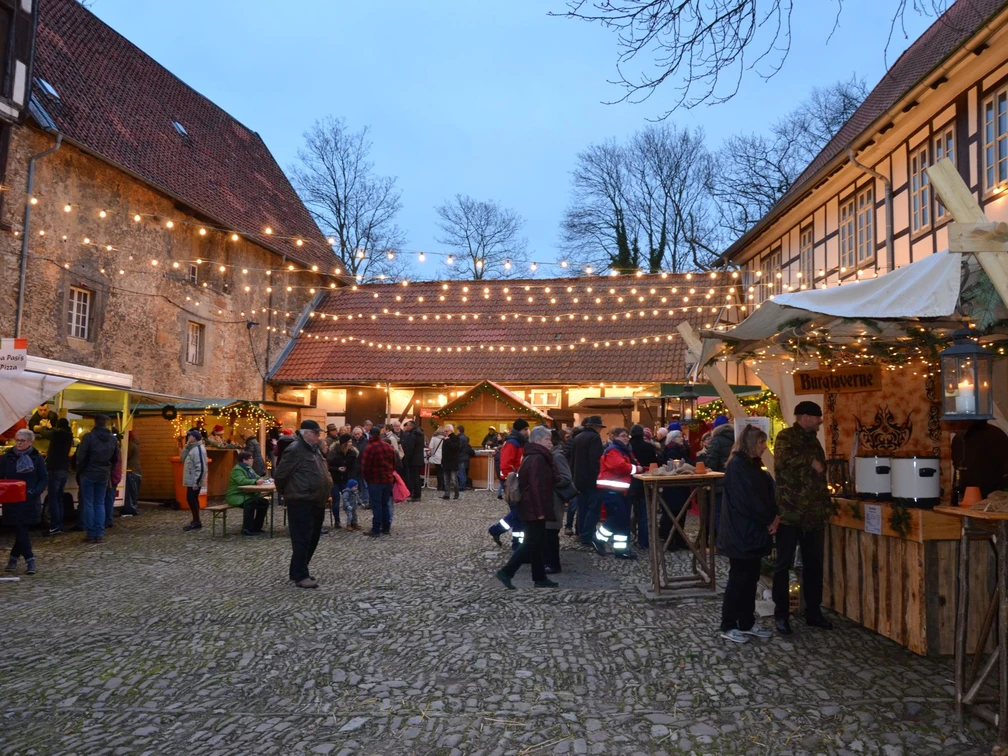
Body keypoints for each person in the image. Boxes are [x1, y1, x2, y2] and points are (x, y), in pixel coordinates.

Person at [773, 401, 833, 635]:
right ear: (806, 417)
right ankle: (782, 615)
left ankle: (813, 612)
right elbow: (783, 461)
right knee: (783, 565)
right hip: (791, 513)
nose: (820, 421)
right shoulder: (786, 437)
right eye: (817, 417)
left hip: (814, 514)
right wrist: (810, 462)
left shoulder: (813, 440)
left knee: (814, 566)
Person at [717, 425, 779, 644]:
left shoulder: (752, 464)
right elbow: (747, 501)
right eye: (761, 443)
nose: (764, 447)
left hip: (752, 532)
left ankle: (746, 621)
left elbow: (765, 491)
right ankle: (729, 624)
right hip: (741, 532)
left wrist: (773, 516)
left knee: (750, 579)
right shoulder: (737, 465)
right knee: (739, 579)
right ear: (752, 443)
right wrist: (768, 518)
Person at [495, 426, 559, 590]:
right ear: (538, 441)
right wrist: (539, 512)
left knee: (537, 543)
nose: (550, 443)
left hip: (532, 507)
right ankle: (506, 572)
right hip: (534, 508)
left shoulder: (534, 456)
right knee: (531, 543)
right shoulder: (537, 458)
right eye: (547, 440)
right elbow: (536, 486)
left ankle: (539, 577)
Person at [275, 420, 332, 588]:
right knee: (302, 539)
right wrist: (286, 493)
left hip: (317, 500)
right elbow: (281, 475)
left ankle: (297, 570)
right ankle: (301, 575)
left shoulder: (314, 450)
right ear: (306, 433)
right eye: (316, 433)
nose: (319, 436)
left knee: (313, 538)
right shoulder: (295, 450)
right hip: (301, 500)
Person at [594, 427, 643, 559]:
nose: (626, 438)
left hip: (622, 491)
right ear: (615, 437)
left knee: (623, 521)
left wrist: (641, 468)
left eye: (627, 436)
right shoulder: (614, 450)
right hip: (611, 490)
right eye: (622, 436)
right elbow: (619, 467)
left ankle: (621, 550)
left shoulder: (625, 451)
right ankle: (598, 538)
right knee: (617, 518)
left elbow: (632, 465)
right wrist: (637, 469)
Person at [3, 429, 47, 575]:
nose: (19, 443)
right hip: (12, 498)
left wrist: (35, 491)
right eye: (17, 440)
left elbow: (43, 478)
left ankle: (25, 560)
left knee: (22, 528)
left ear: (30, 442)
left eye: (22, 440)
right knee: (20, 529)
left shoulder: (37, 458)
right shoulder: (8, 456)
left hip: (29, 498)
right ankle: (22, 559)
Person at [76, 414, 119, 544]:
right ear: (106, 423)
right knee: (100, 503)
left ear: (95, 423)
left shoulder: (89, 437)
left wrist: (81, 469)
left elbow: (81, 456)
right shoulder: (112, 439)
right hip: (104, 473)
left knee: (89, 503)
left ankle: (90, 533)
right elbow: (115, 458)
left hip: (89, 472)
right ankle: (99, 533)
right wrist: (108, 468)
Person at [487, 419, 530, 546]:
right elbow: (505, 464)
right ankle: (517, 544)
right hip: (513, 482)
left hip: (517, 481)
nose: (528, 432)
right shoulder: (513, 443)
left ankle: (496, 530)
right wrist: (509, 481)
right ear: (520, 430)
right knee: (518, 514)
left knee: (518, 513)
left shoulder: (519, 442)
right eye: (525, 429)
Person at [545, 428, 578, 574]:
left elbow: (565, 478)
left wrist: (545, 482)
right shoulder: (550, 455)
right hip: (549, 500)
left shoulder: (556, 456)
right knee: (547, 532)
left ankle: (553, 564)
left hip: (554, 500)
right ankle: (548, 561)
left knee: (551, 533)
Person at [950, 419, 1008, 500]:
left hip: (991, 499)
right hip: (964, 498)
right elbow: (957, 472)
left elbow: (1005, 472)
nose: (953, 427)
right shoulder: (957, 440)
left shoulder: (995, 435)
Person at [571, 416, 606, 548]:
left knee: (582, 508)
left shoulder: (577, 437)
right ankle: (587, 536)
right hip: (592, 479)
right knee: (593, 509)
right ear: (597, 427)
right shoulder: (595, 438)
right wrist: (599, 475)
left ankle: (581, 534)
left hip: (579, 479)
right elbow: (595, 460)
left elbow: (572, 460)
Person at [659, 423, 693, 550]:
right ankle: (671, 541)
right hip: (674, 488)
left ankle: (678, 540)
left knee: (679, 514)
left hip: (679, 488)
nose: (682, 438)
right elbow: (679, 467)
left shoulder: (680, 449)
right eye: (679, 437)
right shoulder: (673, 451)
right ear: (673, 439)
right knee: (672, 515)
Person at [701, 415, 734, 533]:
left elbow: (711, 462)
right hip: (735, 480)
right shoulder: (737, 438)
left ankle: (720, 541)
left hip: (720, 481)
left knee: (719, 512)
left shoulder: (717, 440)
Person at [361, 426, 397, 536]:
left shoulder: (370, 448)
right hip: (387, 480)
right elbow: (394, 463)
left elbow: (365, 467)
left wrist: (368, 479)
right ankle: (386, 527)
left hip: (375, 481)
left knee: (376, 505)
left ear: (371, 435)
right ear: (380, 434)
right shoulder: (388, 447)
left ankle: (376, 529)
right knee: (385, 504)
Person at [225, 451, 269, 536]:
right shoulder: (237, 469)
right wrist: (255, 482)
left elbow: (257, 477)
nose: (252, 460)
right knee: (250, 503)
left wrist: (266, 479)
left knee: (264, 502)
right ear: (244, 460)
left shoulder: (249, 469)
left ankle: (257, 527)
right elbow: (241, 481)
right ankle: (247, 529)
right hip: (236, 495)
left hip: (248, 494)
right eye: (251, 458)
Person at [628, 424, 656, 549]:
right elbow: (654, 464)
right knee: (644, 513)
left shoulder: (627, 447)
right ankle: (643, 541)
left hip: (628, 482)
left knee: (627, 512)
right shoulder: (649, 447)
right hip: (645, 482)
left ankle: (628, 537)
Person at [46, 418, 73, 534]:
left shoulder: (58, 434)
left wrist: (45, 426)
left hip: (55, 468)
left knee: (53, 498)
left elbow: (45, 433)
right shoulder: (69, 435)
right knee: (59, 498)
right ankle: (59, 525)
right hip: (64, 468)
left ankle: (55, 525)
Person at [326, 432, 357, 528]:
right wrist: (337, 469)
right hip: (335, 479)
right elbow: (328, 466)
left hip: (346, 479)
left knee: (350, 501)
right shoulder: (334, 452)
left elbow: (353, 467)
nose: (351, 443)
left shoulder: (352, 453)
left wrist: (350, 476)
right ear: (344, 443)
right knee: (336, 501)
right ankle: (337, 521)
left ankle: (351, 521)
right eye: (349, 442)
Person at [180, 429, 208, 532]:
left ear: (194, 437)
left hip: (195, 480)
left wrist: (197, 481)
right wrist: (186, 446)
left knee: (192, 499)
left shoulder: (199, 450)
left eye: (190, 436)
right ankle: (196, 520)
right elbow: (182, 458)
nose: (188, 437)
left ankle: (197, 521)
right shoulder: (192, 448)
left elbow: (201, 467)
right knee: (191, 499)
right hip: (191, 479)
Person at [400, 420, 425, 502]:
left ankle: (416, 495)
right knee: (416, 477)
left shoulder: (413, 435)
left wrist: (406, 458)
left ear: (411, 426)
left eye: (407, 425)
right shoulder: (420, 434)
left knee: (414, 478)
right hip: (418, 458)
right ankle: (417, 494)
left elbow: (411, 448)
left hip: (413, 459)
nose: (406, 427)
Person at [122, 431, 142, 517]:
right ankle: (133, 507)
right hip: (137, 471)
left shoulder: (130, 445)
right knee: (134, 491)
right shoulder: (136, 444)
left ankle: (130, 509)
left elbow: (125, 456)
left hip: (131, 470)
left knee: (130, 491)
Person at [104, 438, 123, 529]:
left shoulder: (112, 452)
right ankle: (108, 519)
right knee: (109, 499)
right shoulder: (117, 451)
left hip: (111, 478)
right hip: (115, 477)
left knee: (108, 499)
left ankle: (108, 520)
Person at [439, 424, 461, 500]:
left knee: (454, 479)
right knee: (446, 479)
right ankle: (447, 494)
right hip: (445, 462)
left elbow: (455, 448)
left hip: (453, 462)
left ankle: (456, 493)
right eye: (444, 431)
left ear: (451, 431)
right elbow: (444, 451)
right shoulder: (445, 439)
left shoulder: (456, 438)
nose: (445, 432)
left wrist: (448, 441)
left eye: (446, 431)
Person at [456, 424, 473, 492]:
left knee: (461, 472)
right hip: (465, 457)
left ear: (459, 430)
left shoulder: (460, 438)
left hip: (460, 457)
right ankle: (463, 485)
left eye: (457, 430)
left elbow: (458, 448)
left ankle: (462, 486)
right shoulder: (465, 437)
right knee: (463, 472)